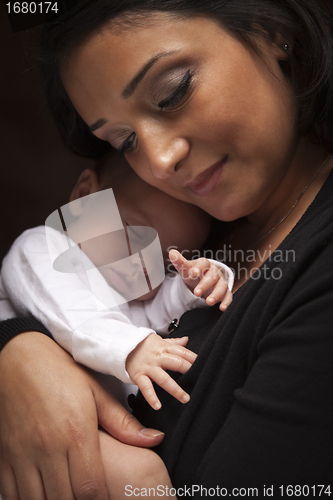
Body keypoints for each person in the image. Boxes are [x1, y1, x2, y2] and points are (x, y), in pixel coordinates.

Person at [1, 0, 333, 498]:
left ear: (271, 28)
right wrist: (20, 353)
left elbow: (165, 302)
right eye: (125, 141)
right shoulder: (198, 220)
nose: (158, 162)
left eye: (173, 92)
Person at [0, 149, 234, 412]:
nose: (145, 266)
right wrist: (131, 348)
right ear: (85, 198)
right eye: (135, 233)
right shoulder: (42, 248)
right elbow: (69, 308)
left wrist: (194, 285)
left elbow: (163, 311)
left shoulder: (132, 301)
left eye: (165, 262)